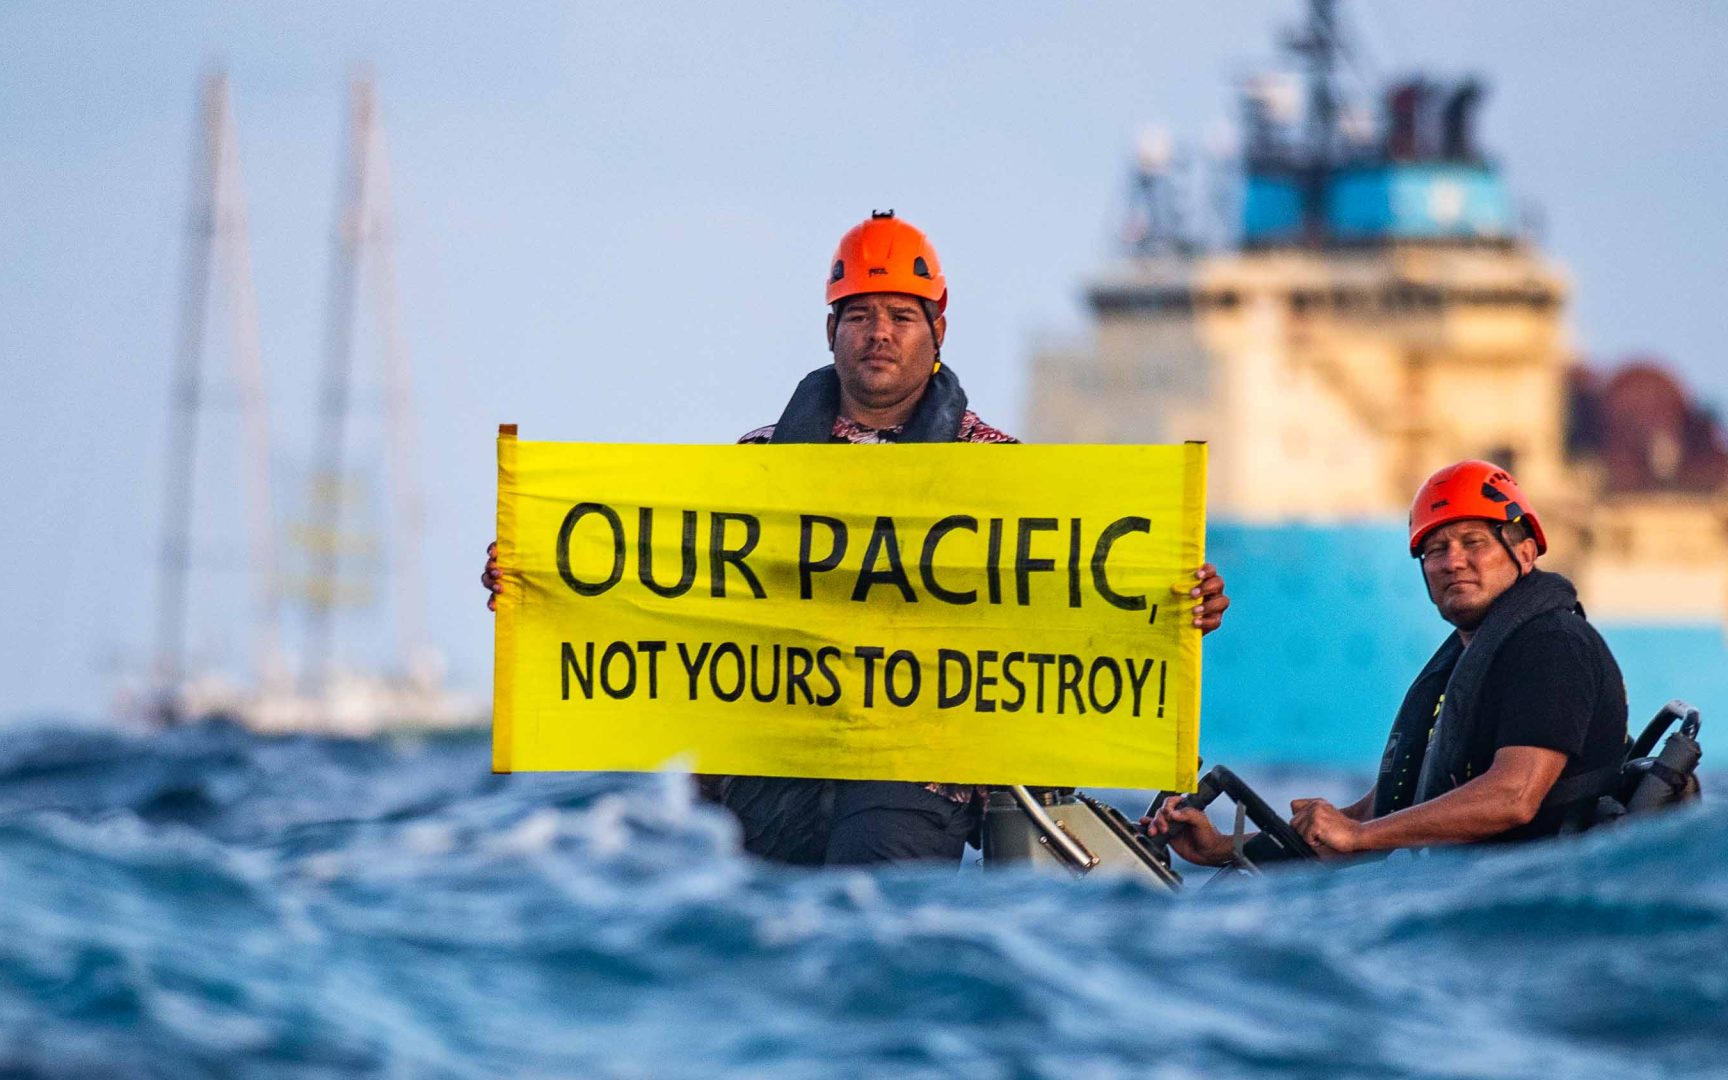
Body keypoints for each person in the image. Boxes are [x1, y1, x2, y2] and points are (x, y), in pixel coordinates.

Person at [483, 210, 1230, 867]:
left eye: (901, 316)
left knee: (875, 944)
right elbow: (664, 589)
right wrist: (541, 580)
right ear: (831, 329)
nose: (879, 334)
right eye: (859, 314)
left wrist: (1172, 602)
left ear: (936, 329)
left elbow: (1065, 602)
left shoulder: (1000, 474)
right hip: (769, 765)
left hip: (919, 770)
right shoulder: (757, 462)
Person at [1147, 460, 1627, 865]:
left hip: (1525, 912)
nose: (1452, 561)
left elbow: (1513, 798)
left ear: (1524, 553)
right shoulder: (1469, 659)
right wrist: (1221, 847)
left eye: (1473, 542)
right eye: (1435, 549)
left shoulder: (1552, 645)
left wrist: (1357, 837)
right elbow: (1384, 814)